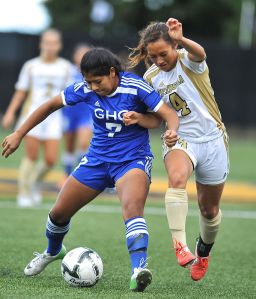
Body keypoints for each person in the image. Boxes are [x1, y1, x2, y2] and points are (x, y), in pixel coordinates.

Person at [2, 48, 179, 291]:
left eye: (98, 81)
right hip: (96, 160)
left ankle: (138, 270)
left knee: (132, 208)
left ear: (112, 72)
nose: (93, 88)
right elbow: (49, 105)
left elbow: (163, 116)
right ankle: (53, 251)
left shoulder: (136, 87)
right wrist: (19, 133)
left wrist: (152, 123)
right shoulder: (83, 88)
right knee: (58, 214)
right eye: (88, 82)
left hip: (131, 160)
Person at [126, 18, 229, 281]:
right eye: (153, 56)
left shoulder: (187, 59)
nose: (159, 60)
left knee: (209, 210)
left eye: (163, 53)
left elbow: (200, 53)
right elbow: (157, 117)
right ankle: (180, 245)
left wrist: (182, 39)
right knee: (177, 179)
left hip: (212, 140)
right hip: (180, 140)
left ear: (174, 46)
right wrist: (142, 120)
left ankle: (203, 252)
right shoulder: (150, 77)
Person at [1, 28, 72, 207]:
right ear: (41, 44)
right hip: (30, 116)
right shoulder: (31, 66)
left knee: (50, 160)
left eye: (54, 43)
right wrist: (10, 112)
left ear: (59, 45)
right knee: (31, 156)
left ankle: (34, 183)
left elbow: (71, 95)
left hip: (54, 119)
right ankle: (24, 192)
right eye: (47, 42)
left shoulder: (65, 68)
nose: (50, 46)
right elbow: (20, 92)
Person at [61, 43, 93, 179]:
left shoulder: (93, 73)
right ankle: (66, 175)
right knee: (69, 147)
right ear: (74, 56)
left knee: (84, 144)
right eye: (80, 54)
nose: (82, 57)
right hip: (69, 113)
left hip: (86, 114)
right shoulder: (67, 71)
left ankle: (80, 178)